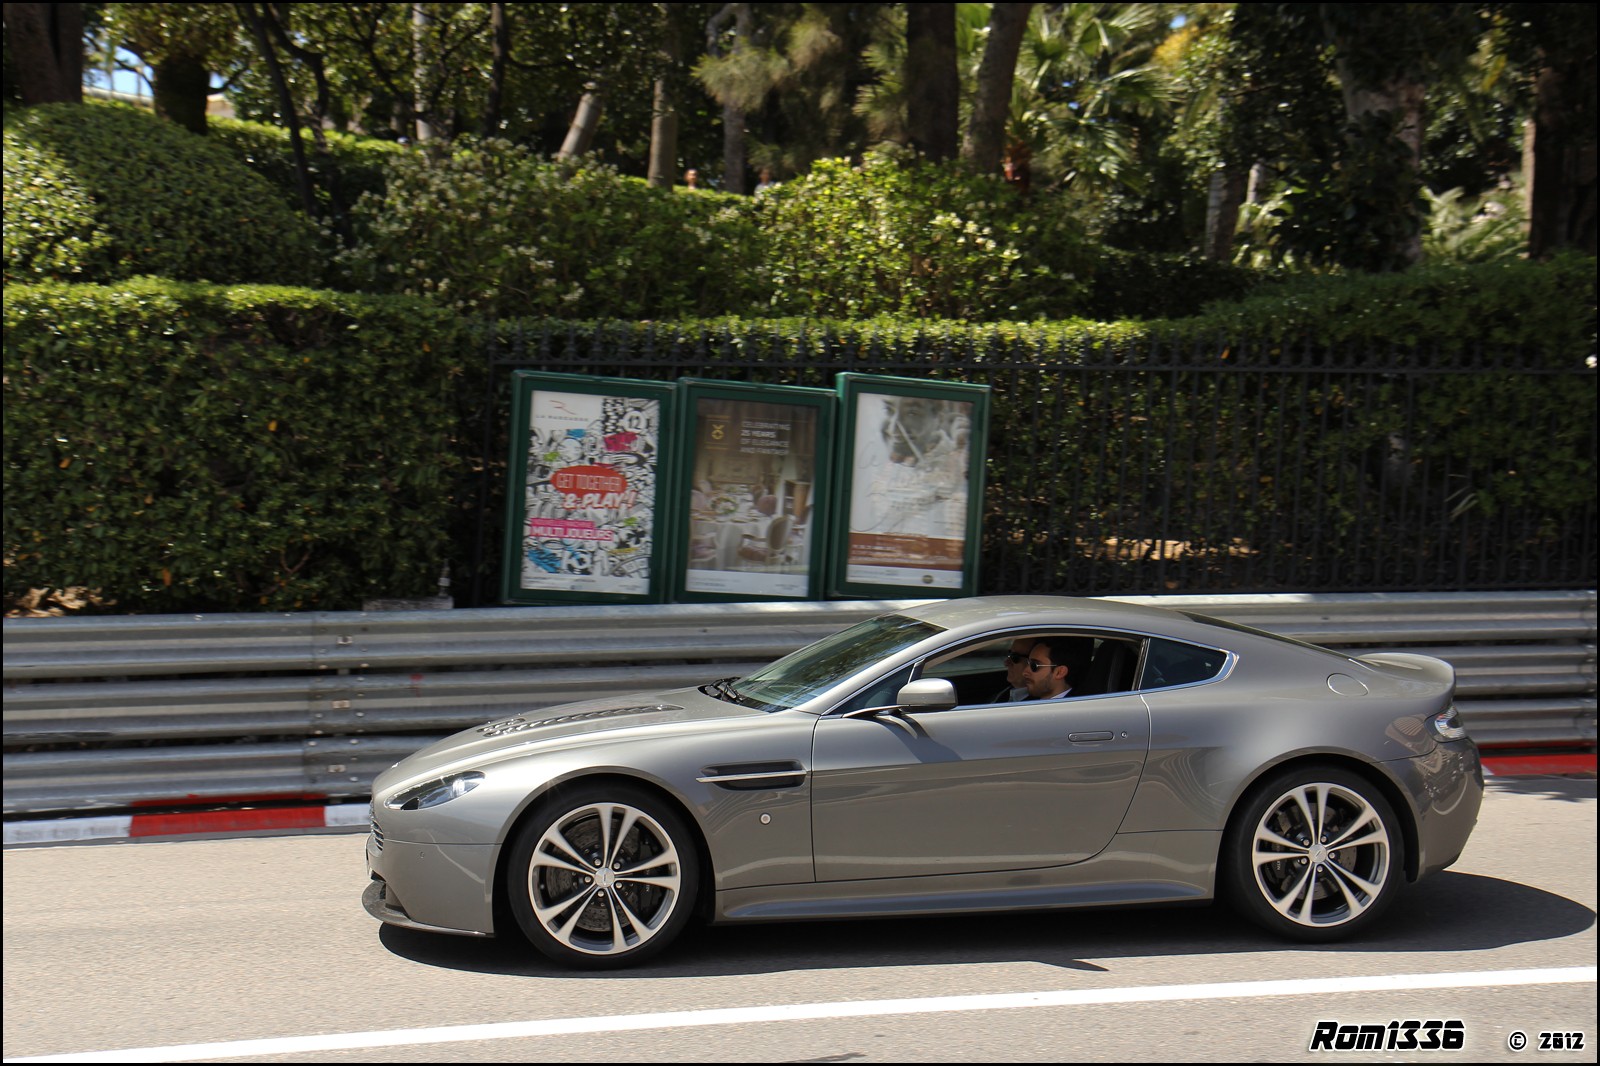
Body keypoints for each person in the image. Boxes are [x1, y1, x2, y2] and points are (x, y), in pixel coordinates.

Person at [1020, 636, 1092, 700]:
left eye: (1034, 665)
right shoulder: (1025, 703)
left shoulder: (1079, 709)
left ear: (1060, 672)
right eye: (1028, 663)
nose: (1024, 672)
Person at [994, 637, 1034, 702]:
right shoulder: (1008, 690)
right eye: (1009, 654)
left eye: (1015, 657)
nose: (1006, 663)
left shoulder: (1037, 704)